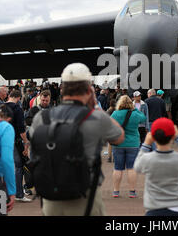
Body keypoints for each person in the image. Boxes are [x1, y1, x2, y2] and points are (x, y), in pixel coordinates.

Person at [29, 63, 124, 216]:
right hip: (85, 196)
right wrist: (95, 106)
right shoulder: (96, 117)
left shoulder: (42, 117)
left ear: (61, 89)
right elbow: (119, 137)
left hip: (50, 195)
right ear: (89, 90)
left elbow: (34, 149)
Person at [134, 118, 178, 216]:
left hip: (154, 208)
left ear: (153, 137)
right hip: (177, 208)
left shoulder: (148, 159)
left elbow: (137, 167)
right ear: (172, 136)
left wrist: (146, 144)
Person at [111, 95, 146, 198]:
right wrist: (135, 109)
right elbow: (143, 118)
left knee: (117, 168)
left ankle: (116, 191)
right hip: (133, 143)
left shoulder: (115, 113)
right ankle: (132, 191)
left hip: (118, 143)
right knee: (131, 168)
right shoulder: (135, 113)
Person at [4, 90, 31, 202]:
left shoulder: (0, 107)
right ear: (18, 98)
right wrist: (26, 143)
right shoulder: (17, 109)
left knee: (5, 168)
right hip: (14, 141)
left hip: (2, 141)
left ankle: (5, 194)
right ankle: (19, 194)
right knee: (18, 167)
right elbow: (21, 129)